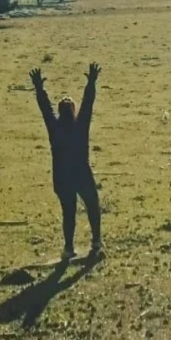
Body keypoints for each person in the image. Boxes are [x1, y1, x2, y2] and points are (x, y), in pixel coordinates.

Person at [29, 63, 103, 262]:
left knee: (68, 213)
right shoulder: (80, 126)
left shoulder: (55, 128)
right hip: (81, 173)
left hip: (62, 177)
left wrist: (39, 88)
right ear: (73, 110)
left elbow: (45, 109)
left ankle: (69, 248)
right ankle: (96, 242)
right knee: (93, 206)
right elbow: (88, 103)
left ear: (60, 111)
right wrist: (91, 82)